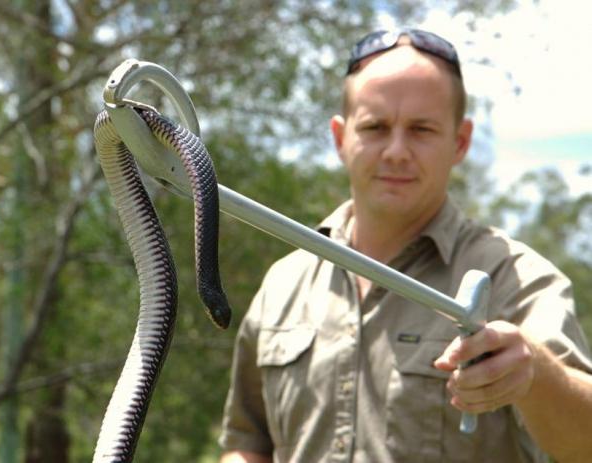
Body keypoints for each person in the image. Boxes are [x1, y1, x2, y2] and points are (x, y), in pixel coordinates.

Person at [217, 29, 592, 463]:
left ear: (460, 142)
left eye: (421, 129)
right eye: (375, 127)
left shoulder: (518, 278)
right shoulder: (285, 282)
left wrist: (536, 375)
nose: (396, 151)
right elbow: (248, 443)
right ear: (340, 138)